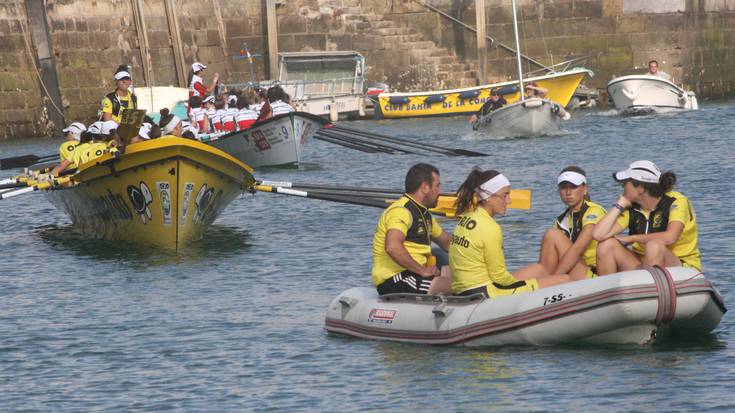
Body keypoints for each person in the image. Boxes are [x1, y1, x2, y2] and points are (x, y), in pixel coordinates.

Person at [448, 168, 571, 298]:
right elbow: (499, 277)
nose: (509, 201)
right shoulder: (490, 228)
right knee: (565, 280)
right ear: (488, 196)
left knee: (541, 272)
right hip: (486, 292)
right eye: (505, 195)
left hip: (463, 289)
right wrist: (525, 285)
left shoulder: (465, 219)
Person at [592, 160, 701, 275]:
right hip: (643, 266)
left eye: (625, 183)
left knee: (653, 246)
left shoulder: (676, 202)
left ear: (640, 188)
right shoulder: (631, 208)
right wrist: (620, 204)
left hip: (681, 268)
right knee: (605, 245)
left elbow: (670, 237)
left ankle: (651, 288)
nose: (622, 187)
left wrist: (632, 238)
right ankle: (612, 292)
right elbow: (598, 235)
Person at [372, 163, 453, 295]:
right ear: (425, 187)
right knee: (462, 285)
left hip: (415, 273)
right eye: (437, 186)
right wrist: (423, 271)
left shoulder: (424, 214)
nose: (440, 191)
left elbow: (447, 242)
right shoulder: (401, 211)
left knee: (469, 277)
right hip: (396, 278)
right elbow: (392, 247)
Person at [537, 167, 607, 281]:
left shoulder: (594, 211)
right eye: (563, 188)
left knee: (551, 234)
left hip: (593, 274)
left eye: (573, 187)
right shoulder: (560, 221)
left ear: (585, 189)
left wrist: (552, 279)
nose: (568, 192)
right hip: (573, 271)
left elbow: (578, 248)